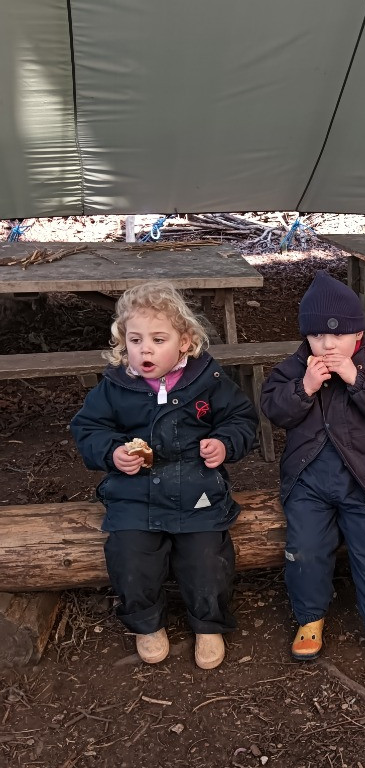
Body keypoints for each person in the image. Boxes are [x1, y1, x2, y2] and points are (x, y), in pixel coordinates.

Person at [70, 282, 257, 669]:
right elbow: (88, 428)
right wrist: (112, 452)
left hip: (197, 490)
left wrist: (223, 442)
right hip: (134, 492)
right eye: (135, 340)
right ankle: (145, 622)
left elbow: (241, 419)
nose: (146, 349)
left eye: (158, 339)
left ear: (185, 342)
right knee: (129, 555)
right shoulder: (116, 386)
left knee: (207, 557)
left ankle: (208, 623)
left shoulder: (209, 382)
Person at [260, 271, 365, 666]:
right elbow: (274, 410)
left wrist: (356, 378)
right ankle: (310, 619)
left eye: (337, 335)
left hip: (361, 481)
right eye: (315, 336)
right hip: (307, 482)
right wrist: (304, 388)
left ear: (357, 334)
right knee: (305, 550)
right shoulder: (293, 369)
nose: (326, 344)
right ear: (305, 336)